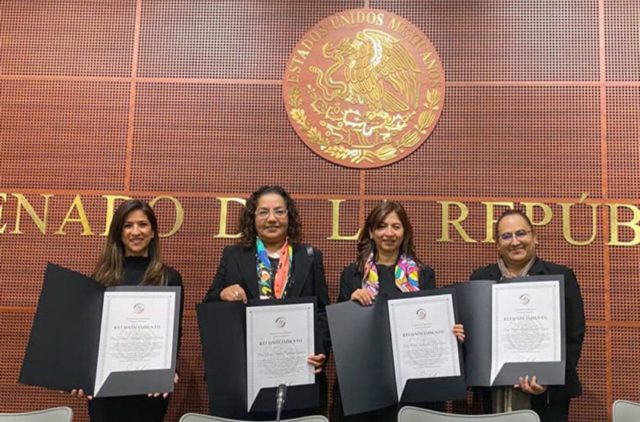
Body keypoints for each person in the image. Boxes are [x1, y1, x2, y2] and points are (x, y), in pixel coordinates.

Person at [203, 185, 330, 420]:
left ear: (288, 217)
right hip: (245, 378)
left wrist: (321, 352)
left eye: (279, 212)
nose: (272, 219)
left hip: (297, 374)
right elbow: (210, 304)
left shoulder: (309, 257)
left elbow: (322, 312)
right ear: (253, 218)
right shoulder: (233, 256)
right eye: (263, 212)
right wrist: (222, 294)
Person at [334, 200, 465, 422]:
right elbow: (338, 335)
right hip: (366, 384)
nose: (389, 233)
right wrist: (350, 304)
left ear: (405, 233)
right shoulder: (353, 275)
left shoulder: (423, 275)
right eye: (382, 226)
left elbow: (431, 323)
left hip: (412, 383)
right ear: (371, 232)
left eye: (396, 226)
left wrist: (451, 333)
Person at [71, 199, 184, 422]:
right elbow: (90, 334)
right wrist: (81, 374)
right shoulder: (101, 277)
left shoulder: (168, 277)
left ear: (153, 232)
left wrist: (169, 370)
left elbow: (174, 333)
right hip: (105, 389)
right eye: (127, 225)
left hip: (150, 388)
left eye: (143, 225)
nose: (135, 232)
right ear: (118, 232)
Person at [470, 209, 585, 422]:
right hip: (495, 393)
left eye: (521, 233)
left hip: (548, 397)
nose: (515, 242)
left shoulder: (560, 277)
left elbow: (574, 336)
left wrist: (549, 379)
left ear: (534, 237)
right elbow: (476, 337)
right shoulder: (481, 279)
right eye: (506, 236)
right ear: (497, 244)